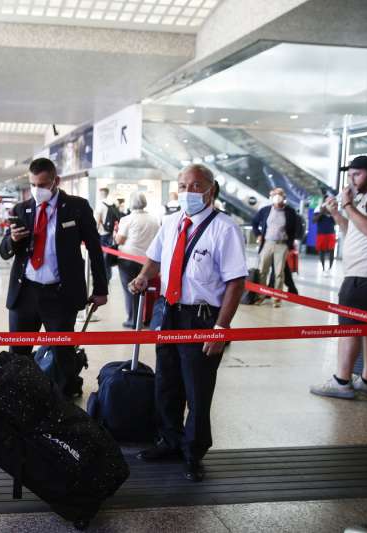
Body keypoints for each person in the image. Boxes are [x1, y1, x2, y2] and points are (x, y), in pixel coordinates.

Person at [129, 164, 247, 482]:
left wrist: (222, 329)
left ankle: (193, 451)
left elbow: (236, 282)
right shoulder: (171, 223)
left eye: (195, 186)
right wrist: (143, 277)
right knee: (166, 380)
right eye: (182, 186)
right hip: (168, 311)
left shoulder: (225, 228)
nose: (188, 192)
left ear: (211, 189)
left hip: (203, 316)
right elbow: (155, 259)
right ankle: (169, 440)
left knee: (197, 386)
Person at [0, 157, 107, 396]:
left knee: (62, 353)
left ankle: (62, 402)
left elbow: (94, 248)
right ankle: (19, 399)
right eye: (33, 185)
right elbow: (5, 252)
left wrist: (101, 289)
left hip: (60, 294)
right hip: (25, 292)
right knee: (18, 353)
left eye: (43, 184)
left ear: (56, 181)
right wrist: (13, 241)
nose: (38, 190)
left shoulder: (77, 207)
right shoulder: (21, 209)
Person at [310, 155, 367, 400]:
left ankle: (342, 381)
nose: (352, 179)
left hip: (365, 276)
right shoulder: (363, 198)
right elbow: (353, 232)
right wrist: (336, 213)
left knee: (349, 329)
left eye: (357, 174)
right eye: (350, 175)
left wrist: (349, 206)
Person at [114, 191, 159, 328]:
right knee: (143, 289)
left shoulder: (127, 219)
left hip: (127, 259)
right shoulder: (153, 219)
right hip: (147, 260)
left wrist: (115, 235)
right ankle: (143, 317)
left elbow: (120, 240)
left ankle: (133, 320)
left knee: (130, 289)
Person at [251, 187, 300, 308]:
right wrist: (258, 235)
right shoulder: (265, 210)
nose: (277, 197)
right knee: (262, 271)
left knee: (279, 273)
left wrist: (290, 243)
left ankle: (276, 299)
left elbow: (295, 228)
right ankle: (260, 296)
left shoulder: (290, 211)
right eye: (275, 194)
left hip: (282, 244)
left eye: (280, 194)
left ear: (284, 197)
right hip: (267, 243)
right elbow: (254, 222)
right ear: (271, 197)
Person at [95, 187, 119, 281]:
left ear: (101, 194)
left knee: (101, 256)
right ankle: (108, 275)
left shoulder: (100, 205)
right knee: (108, 255)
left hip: (102, 234)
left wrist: (94, 233)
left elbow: (97, 221)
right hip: (109, 233)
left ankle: (103, 277)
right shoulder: (112, 204)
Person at [314, 192, 337, 275]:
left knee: (332, 251)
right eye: (327, 200)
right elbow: (314, 221)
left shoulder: (332, 209)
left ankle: (330, 269)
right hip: (321, 234)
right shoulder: (318, 208)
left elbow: (335, 222)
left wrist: (331, 213)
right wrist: (322, 212)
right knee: (322, 251)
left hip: (331, 233)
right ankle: (323, 269)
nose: (328, 201)